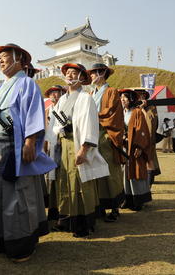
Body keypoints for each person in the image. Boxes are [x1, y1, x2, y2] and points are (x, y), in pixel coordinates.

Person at [0, 43, 55, 262]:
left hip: (16, 147)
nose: (1, 61)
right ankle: (1, 238)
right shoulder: (1, 87)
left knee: (18, 195)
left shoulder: (27, 83)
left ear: (19, 59)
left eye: (5, 57)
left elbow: (33, 112)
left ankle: (22, 243)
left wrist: (30, 141)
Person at [49, 63, 109, 237]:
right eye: (67, 72)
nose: (69, 75)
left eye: (73, 72)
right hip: (61, 144)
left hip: (77, 144)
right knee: (63, 182)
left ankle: (83, 222)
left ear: (82, 78)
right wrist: (50, 140)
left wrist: (84, 149)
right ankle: (65, 219)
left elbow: (90, 125)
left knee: (80, 183)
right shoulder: (61, 99)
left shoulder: (85, 98)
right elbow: (54, 124)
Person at [87, 63, 125, 222]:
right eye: (91, 74)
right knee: (97, 172)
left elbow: (113, 115)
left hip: (106, 135)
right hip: (93, 136)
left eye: (94, 73)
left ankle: (115, 207)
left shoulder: (111, 92)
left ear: (102, 73)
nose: (92, 76)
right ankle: (101, 205)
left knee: (110, 172)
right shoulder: (90, 92)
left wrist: (94, 117)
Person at [119, 89, 152, 211]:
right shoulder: (120, 112)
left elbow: (142, 129)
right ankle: (127, 199)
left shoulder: (137, 112)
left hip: (134, 147)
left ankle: (139, 199)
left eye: (125, 97)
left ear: (131, 99)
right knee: (124, 173)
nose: (122, 99)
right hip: (123, 147)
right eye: (121, 97)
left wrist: (139, 146)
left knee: (136, 172)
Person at [43, 84, 66, 221]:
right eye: (51, 93)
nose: (54, 95)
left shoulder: (63, 108)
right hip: (51, 146)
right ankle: (53, 210)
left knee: (60, 178)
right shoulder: (48, 110)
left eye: (56, 92)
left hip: (61, 146)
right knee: (51, 180)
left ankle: (62, 209)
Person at [134, 88, 161, 187]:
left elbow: (151, 121)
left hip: (148, 138)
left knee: (149, 161)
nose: (140, 96)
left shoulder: (151, 107)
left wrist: (142, 109)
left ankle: (148, 186)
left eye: (142, 95)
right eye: (137, 95)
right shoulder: (135, 107)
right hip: (136, 139)